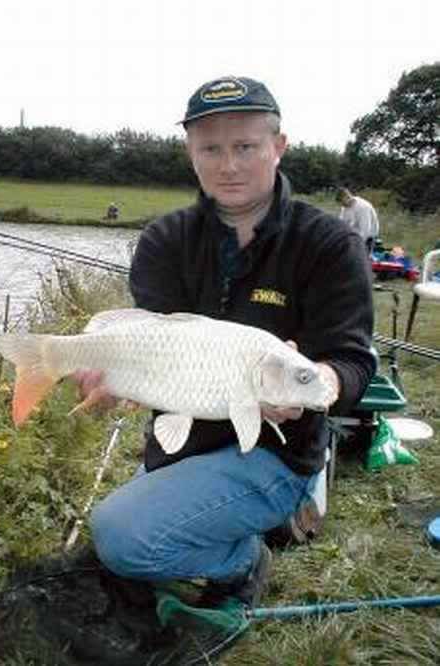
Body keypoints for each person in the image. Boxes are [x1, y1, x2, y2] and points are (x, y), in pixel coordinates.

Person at [75, 75, 376, 610]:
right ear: (190, 154)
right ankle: (230, 529)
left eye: (246, 146)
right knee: (129, 535)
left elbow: (352, 361)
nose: (228, 165)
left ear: (278, 148)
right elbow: (152, 352)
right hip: (182, 439)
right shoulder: (164, 241)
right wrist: (114, 382)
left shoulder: (330, 244)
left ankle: (246, 558)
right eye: (210, 148)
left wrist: (320, 381)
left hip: (278, 450)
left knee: (122, 538)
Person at [336, 187, 380, 254]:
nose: (342, 206)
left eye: (343, 203)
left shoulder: (363, 208)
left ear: (348, 197)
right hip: (353, 235)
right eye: (341, 204)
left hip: (368, 238)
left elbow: (365, 231)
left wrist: (356, 245)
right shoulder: (345, 207)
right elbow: (342, 223)